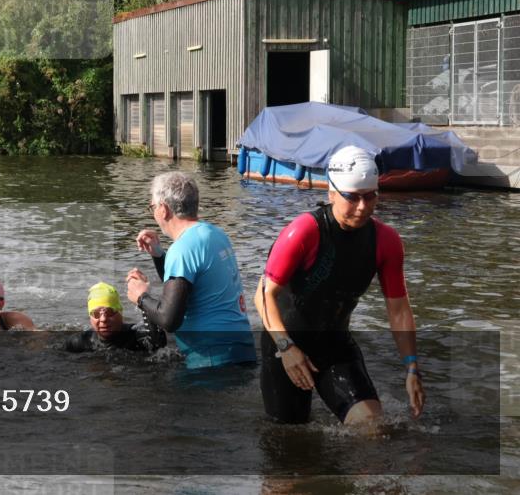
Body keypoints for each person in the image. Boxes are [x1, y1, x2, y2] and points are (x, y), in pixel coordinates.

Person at [254, 146, 425, 426]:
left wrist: (412, 367)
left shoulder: (386, 241)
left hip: (335, 344)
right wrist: (286, 348)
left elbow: (399, 309)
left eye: (370, 197)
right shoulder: (304, 231)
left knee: (372, 427)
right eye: (352, 197)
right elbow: (263, 295)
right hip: (285, 341)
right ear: (331, 192)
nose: (362, 207)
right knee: (289, 442)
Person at [126, 171, 256, 370]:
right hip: (241, 349)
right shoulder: (215, 233)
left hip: (212, 359)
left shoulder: (182, 249)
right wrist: (159, 255)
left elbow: (169, 320)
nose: (153, 213)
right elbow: (183, 292)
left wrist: (141, 297)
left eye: (152, 207)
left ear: (163, 209)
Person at [65, 282, 165, 353]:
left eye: (109, 312)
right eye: (96, 314)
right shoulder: (80, 342)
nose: (103, 319)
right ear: (90, 318)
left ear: (120, 312)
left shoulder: (136, 335)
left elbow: (157, 343)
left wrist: (142, 299)